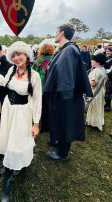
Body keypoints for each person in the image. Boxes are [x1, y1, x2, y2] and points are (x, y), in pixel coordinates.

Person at [0, 41, 42, 201]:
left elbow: (38, 100)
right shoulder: (12, 70)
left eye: (19, 54)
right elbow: (5, 82)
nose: (16, 58)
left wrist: (36, 123)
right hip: (8, 108)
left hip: (23, 112)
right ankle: (9, 165)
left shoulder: (34, 76)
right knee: (7, 137)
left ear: (26, 55)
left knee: (19, 140)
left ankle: (9, 175)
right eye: (13, 55)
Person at [44, 24, 92, 160]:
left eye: (56, 31)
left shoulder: (69, 50)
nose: (55, 34)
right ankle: (59, 145)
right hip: (64, 95)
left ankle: (62, 154)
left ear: (62, 33)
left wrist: (65, 98)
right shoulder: (65, 49)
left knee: (66, 122)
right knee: (62, 122)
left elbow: (66, 75)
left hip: (66, 96)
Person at [32, 43, 55, 132]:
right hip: (50, 86)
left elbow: (33, 72)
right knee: (48, 106)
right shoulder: (53, 60)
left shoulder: (38, 60)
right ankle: (48, 126)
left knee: (38, 106)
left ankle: (40, 126)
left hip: (40, 86)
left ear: (41, 50)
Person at [86, 53, 107, 131]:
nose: (91, 62)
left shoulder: (96, 71)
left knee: (94, 107)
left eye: (92, 60)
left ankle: (95, 123)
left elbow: (93, 84)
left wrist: (86, 80)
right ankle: (96, 122)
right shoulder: (103, 69)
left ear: (97, 62)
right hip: (101, 91)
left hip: (94, 92)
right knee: (98, 108)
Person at [105, 47, 112, 112]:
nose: (107, 52)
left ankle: (108, 106)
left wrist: (107, 75)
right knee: (106, 92)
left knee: (108, 93)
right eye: (106, 51)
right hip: (106, 77)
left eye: (109, 51)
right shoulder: (106, 58)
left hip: (110, 78)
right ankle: (106, 104)